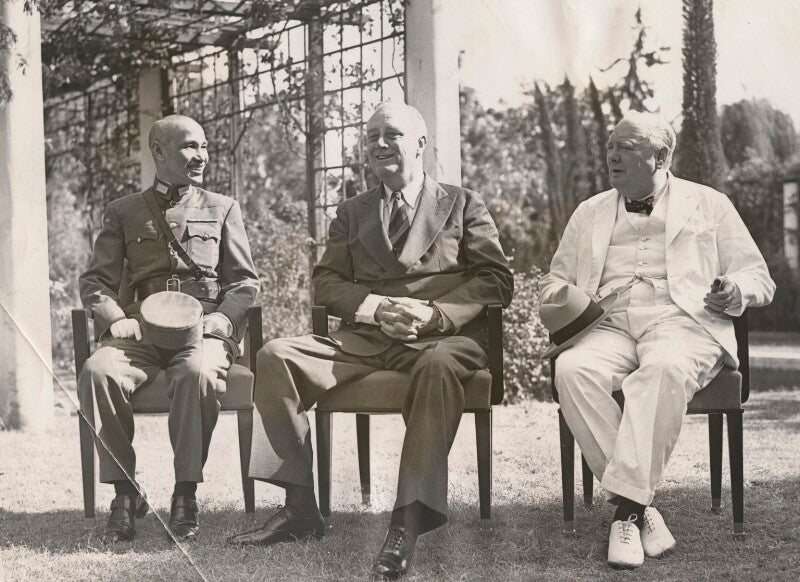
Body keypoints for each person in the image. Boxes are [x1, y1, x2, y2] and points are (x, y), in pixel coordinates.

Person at [228, 101, 513, 579]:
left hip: (443, 339)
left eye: (392, 134)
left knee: (438, 367)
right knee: (275, 355)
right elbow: (327, 283)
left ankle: (406, 521)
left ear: (420, 144)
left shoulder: (462, 203)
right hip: (368, 336)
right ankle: (300, 507)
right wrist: (377, 310)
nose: (380, 144)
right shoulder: (352, 211)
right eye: (372, 136)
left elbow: (495, 280)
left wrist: (434, 314)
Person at [538, 110, 775, 568]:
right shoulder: (589, 212)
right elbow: (555, 279)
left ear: (661, 155)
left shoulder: (710, 204)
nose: (612, 156)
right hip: (608, 324)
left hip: (682, 321)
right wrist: (568, 297)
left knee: (662, 370)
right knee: (572, 369)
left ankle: (625, 515)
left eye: (625, 147)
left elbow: (758, 277)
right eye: (610, 145)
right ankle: (640, 508)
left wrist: (735, 289)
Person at [78, 114, 260, 543]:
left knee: (196, 374)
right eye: (189, 147)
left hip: (202, 327)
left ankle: (185, 493)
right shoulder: (122, 211)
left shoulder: (222, 207)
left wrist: (225, 316)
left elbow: (245, 281)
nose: (202, 156)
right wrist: (115, 317)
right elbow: (94, 282)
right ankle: (125, 494)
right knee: (97, 371)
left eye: (204, 146)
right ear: (159, 151)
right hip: (141, 329)